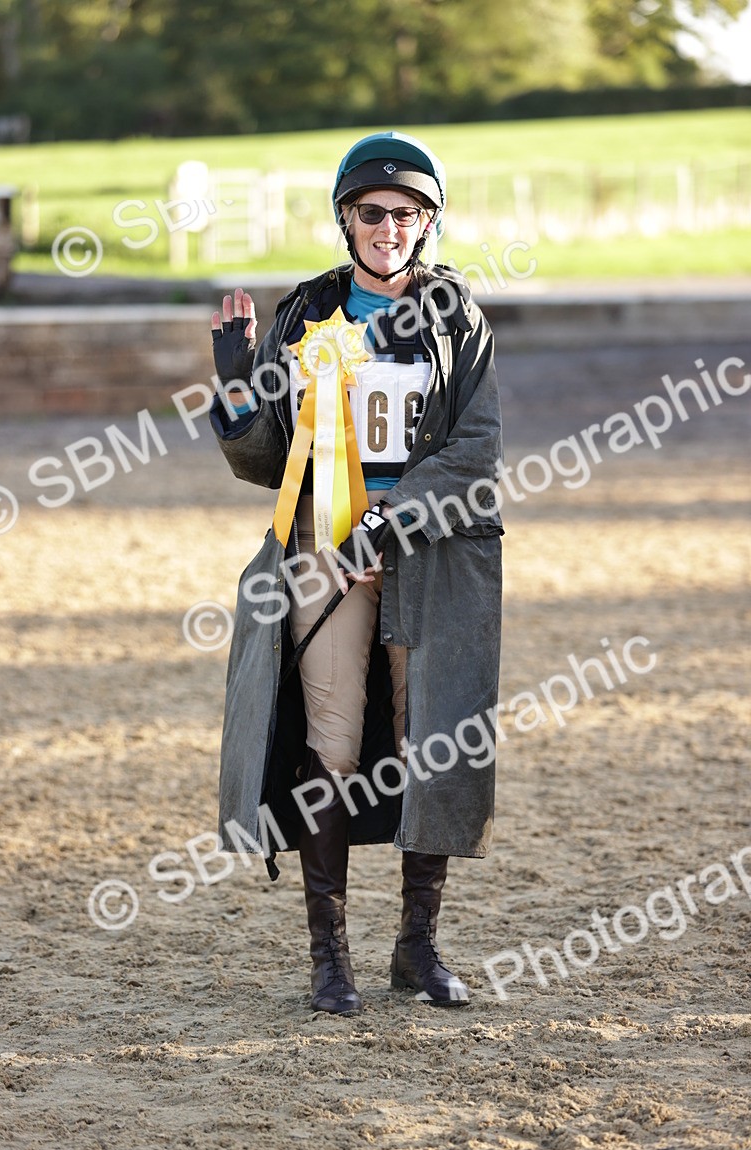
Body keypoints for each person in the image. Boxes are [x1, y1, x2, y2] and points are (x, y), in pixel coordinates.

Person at [209, 131, 503, 1015]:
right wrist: (234, 393)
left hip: (432, 557)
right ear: (347, 220)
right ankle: (328, 958)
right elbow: (266, 462)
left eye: (404, 213)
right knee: (330, 747)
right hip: (322, 549)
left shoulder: (459, 321)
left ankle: (416, 948)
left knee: (432, 742)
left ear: (427, 223)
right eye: (371, 213)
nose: (387, 226)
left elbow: (476, 451)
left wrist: (395, 513)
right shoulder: (303, 316)